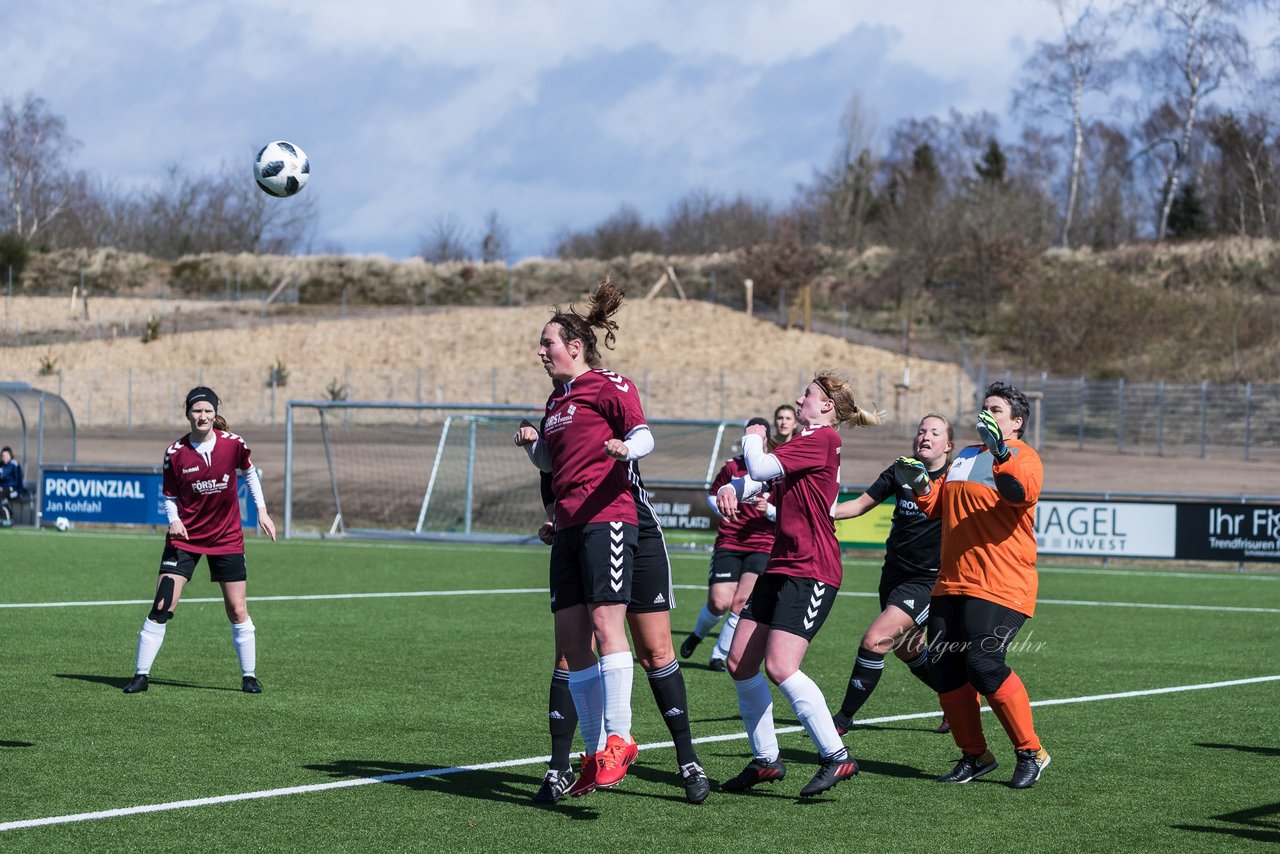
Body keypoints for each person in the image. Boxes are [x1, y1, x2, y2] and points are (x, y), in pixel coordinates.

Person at [716, 371, 881, 797]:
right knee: (739, 662)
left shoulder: (823, 439)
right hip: (782, 564)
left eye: (806, 394)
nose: (799, 398)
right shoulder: (804, 441)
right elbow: (757, 477)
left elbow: (760, 462)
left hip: (813, 568)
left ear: (826, 405)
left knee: (780, 666)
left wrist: (754, 432)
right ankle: (766, 760)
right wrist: (732, 490)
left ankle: (836, 756)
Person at [515, 279, 646, 797]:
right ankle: (593, 753)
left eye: (546, 343)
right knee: (571, 644)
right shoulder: (557, 399)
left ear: (574, 347)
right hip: (567, 524)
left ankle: (620, 737)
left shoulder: (610, 383)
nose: (540, 351)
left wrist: (625, 449)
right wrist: (532, 444)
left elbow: (643, 434)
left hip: (607, 517)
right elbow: (552, 461)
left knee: (604, 622)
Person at [897, 381, 1050, 788]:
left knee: (983, 664)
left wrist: (1000, 452)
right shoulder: (964, 455)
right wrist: (920, 482)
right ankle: (975, 756)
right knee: (946, 670)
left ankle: (1031, 751)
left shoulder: (1024, 456)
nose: (987, 414)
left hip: (1002, 582)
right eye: (985, 408)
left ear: (1016, 422)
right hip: (951, 583)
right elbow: (938, 507)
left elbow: (1019, 494)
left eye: (996, 410)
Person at [532, 468, 709, 805]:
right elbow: (549, 472)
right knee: (570, 652)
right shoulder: (556, 417)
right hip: (580, 531)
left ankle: (688, 761)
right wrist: (557, 517)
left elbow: (637, 439)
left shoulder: (611, 413)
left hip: (636, 530)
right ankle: (562, 767)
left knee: (655, 651)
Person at [122, 387, 276, 694]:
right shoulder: (175, 453)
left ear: (215, 413)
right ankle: (141, 675)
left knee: (236, 608)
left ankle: (249, 676)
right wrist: (174, 520)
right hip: (186, 538)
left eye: (207, 411)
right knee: (163, 603)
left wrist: (261, 510)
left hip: (227, 537)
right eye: (196, 411)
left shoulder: (233, 444)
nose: (202, 416)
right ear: (187, 413)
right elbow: (168, 495)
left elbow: (249, 473)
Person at [830, 414, 955, 735]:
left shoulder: (956, 478)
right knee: (908, 650)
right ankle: (957, 700)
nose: (925, 436)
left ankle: (841, 720)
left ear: (948, 445)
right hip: (893, 576)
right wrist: (816, 512)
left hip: (927, 581)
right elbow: (858, 505)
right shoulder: (901, 469)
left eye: (934, 432)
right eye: (921, 430)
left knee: (875, 641)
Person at [679, 417, 777, 672]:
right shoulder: (731, 466)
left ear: (765, 438)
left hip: (762, 543)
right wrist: (723, 507)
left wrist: (769, 510)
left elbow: (787, 508)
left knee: (741, 601)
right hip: (730, 541)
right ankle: (697, 635)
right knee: (719, 602)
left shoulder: (773, 467)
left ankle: (718, 655)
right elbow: (712, 494)